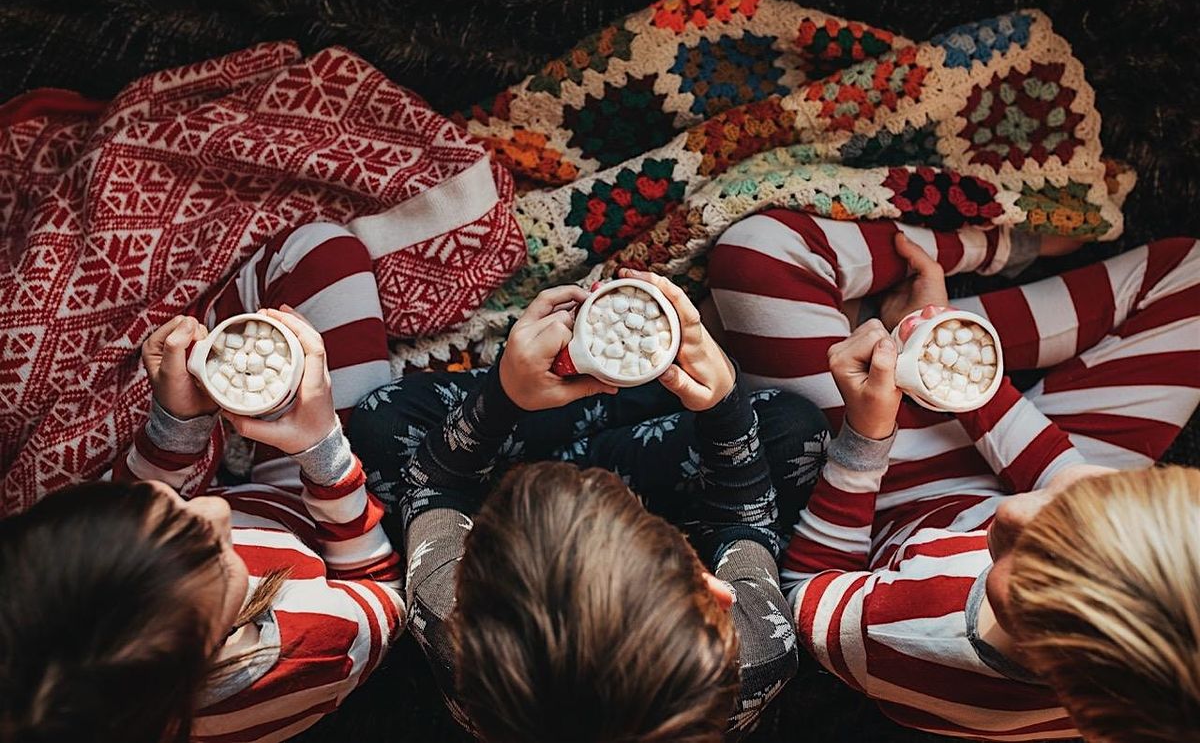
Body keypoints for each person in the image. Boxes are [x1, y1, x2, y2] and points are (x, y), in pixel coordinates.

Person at [707, 210, 1200, 739]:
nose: (1012, 511)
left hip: (899, 490)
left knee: (758, 253)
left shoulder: (904, 635)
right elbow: (1066, 477)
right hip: (1058, 447)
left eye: (1013, 561)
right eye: (1080, 511)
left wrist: (865, 439)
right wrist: (957, 370)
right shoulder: (1128, 636)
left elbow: (808, 585)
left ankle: (914, 315)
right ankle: (928, 327)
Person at [349, 270, 830, 741]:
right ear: (714, 591)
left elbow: (434, 488)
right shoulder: (760, 649)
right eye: (639, 519)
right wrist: (724, 403)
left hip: (491, 469)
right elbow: (742, 520)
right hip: (663, 482)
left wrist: (504, 393)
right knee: (793, 430)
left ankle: (583, 389)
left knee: (381, 423)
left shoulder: (449, 625)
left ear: (468, 587)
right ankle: (636, 383)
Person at [0, 224, 403, 743]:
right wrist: (322, 451)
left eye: (157, 506)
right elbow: (382, 588)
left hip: (278, 474)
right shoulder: (317, 645)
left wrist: (177, 424)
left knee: (304, 266)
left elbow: (138, 493)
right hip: (329, 518)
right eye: (217, 553)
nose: (211, 510)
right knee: (323, 252)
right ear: (214, 643)